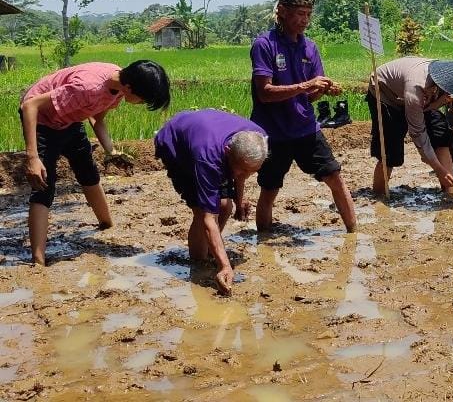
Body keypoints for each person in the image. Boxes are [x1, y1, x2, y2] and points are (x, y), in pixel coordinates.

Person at [19, 60, 170, 266]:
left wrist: (112, 151)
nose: (142, 104)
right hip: (42, 121)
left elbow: (97, 119)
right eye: (143, 100)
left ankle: (107, 225)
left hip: (69, 120)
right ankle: (38, 262)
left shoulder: (118, 86)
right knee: (43, 185)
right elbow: (30, 105)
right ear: (130, 88)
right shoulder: (87, 88)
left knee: (88, 172)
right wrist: (33, 157)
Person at [249, 0, 356, 233]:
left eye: (308, 14)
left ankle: (354, 234)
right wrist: (305, 85)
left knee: (335, 178)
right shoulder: (264, 45)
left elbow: (309, 96)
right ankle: (264, 241)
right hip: (273, 132)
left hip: (305, 128)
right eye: (300, 14)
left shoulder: (310, 48)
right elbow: (265, 93)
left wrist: (322, 89)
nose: (305, 20)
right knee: (269, 189)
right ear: (283, 12)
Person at [155, 110, 268, 295]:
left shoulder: (259, 138)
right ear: (227, 153)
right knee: (202, 212)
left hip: (210, 136)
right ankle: (198, 265)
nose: (245, 176)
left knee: (225, 206)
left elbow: (242, 172)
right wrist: (225, 265)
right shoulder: (207, 158)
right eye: (241, 170)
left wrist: (239, 201)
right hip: (177, 146)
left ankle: (210, 252)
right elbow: (208, 218)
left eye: (251, 171)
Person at [367, 57, 453, 195]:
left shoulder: (450, 80)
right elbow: (417, 132)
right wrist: (438, 169)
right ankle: (379, 195)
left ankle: (448, 194)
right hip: (385, 94)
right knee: (391, 150)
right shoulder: (417, 88)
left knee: (441, 133)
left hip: (419, 98)